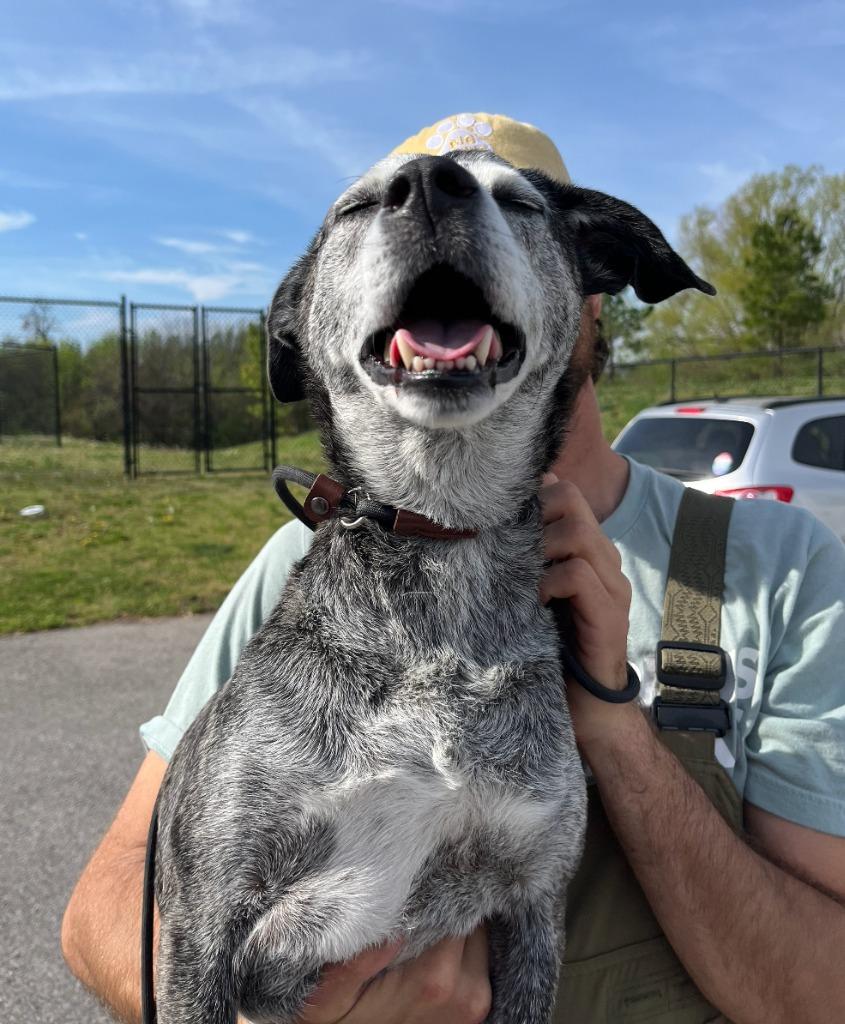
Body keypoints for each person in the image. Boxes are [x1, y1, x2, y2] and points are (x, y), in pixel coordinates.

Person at [62, 115, 845, 1024]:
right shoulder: (293, 563)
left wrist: (614, 722)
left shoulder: (770, 564)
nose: (433, 200)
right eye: (368, 207)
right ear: (308, 321)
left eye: (511, 206)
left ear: (591, 286)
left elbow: (819, 999)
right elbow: (104, 911)